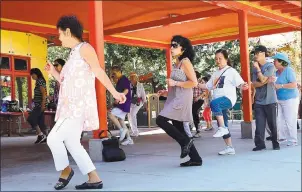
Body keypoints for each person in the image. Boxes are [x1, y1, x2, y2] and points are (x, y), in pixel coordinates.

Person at [45, 15, 126, 190]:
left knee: (53, 138)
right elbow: (66, 83)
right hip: (69, 107)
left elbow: (98, 71)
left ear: (68, 31)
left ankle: (65, 170)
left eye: (60, 34)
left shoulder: (85, 48)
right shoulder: (73, 53)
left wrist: (115, 92)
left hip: (76, 108)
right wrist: (53, 71)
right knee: (73, 144)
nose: (58, 38)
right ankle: (94, 178)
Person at [156, 35, 202, 167]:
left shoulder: (185, 62)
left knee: (161, 120)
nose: (171, 48)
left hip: (182, 98)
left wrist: (175, 82)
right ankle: (196, 158)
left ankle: (185, 142)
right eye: (171, 45)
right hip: (176, 96)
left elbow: (193, 82)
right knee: (179, 127)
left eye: (175, 45)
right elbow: (178, 83)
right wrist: (166, 92)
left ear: (183, 48)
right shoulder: (178, 63)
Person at [198, 49, 249, 155]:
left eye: (220, 58)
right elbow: (208, 86)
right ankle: (229, 147)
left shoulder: (231, 71)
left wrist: (243, 86)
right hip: (219, 102)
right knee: (224, 123)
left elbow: (240, 83)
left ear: (226, 59)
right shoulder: (216, 73)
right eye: (216, 59)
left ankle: (222, 128)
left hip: (227, 99)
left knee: (214, 104)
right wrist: (195, 84)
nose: (218, 60)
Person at [251, 45, 280, 151]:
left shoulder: (270, 66)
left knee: (272, 124)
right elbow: (254, 84)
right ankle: (260, 144)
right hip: (258, 101)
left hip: (270, 100)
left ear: (263, 53)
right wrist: (266, 80)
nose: (255, 56)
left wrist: (259, 71)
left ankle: (275, 143)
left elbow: (262, 80)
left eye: (256, 53)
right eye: (254, 54)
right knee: (259, 124)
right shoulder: (254, 68)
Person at [268, 52, 299, 146]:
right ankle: (282, 138)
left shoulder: (288, 70)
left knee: (290, 120)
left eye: (275, 60)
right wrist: (271, 82)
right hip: (279, 99)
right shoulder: (276, 72)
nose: (274, 62)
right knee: (279, 119)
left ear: (281, 62)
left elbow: (294, 84)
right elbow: (274, 86)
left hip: (290, 99)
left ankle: (293, 140)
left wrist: (281, 86)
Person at [108, 66, 133, 145]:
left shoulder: (124, 79)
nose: (113, 75)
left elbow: (126, 90)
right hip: (124, 102)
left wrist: (120, 98)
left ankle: (121, 130)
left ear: (119, 71)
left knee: (110, 114)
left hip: (123, 103)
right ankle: (129, 139)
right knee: (121, 120)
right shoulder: (119, 80)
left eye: (114, 73)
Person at [27, 68, 48, 144]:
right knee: (40, 122)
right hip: (38, 104)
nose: (32, 76)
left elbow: (44, 94)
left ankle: (40, 135)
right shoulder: (39, 81)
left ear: (36, 74)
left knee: (31, 119)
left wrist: (43, 104)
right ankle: (47, 137)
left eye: (32, 75)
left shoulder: (40, 81)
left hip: (40, 105)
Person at [127, 72, 146, 138]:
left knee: (132, 114)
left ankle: (135, 132)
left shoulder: (140, 85)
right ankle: (133, 130)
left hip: (138, 102)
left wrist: (145, 103)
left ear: (136, 79)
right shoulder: (129, 85)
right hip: (131, 102)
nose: (131, 79)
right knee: (129, 115)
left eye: (133, 78)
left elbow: (143, 94)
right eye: (131, 78)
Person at [192, 71, 204, 137]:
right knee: (193, 113)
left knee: (194, 111)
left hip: (199, 100)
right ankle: (197, 128)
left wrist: (198, 97)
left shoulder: (200, 81)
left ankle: (198, 126)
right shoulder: (191, 81)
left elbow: (204, 92)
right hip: (192, 100)